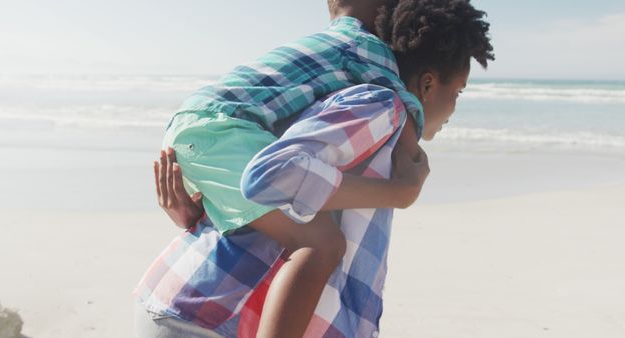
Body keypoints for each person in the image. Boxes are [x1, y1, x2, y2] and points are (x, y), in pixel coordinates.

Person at [134, 0, 494, 337]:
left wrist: (198, 211)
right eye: (459, 92)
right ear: (428, 82)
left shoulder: (336, 80)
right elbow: (271, 175)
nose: (455, 108)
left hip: (204, 136)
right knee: (322, 243)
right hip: (204, 310)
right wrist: (402, 187)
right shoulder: (376, 87)